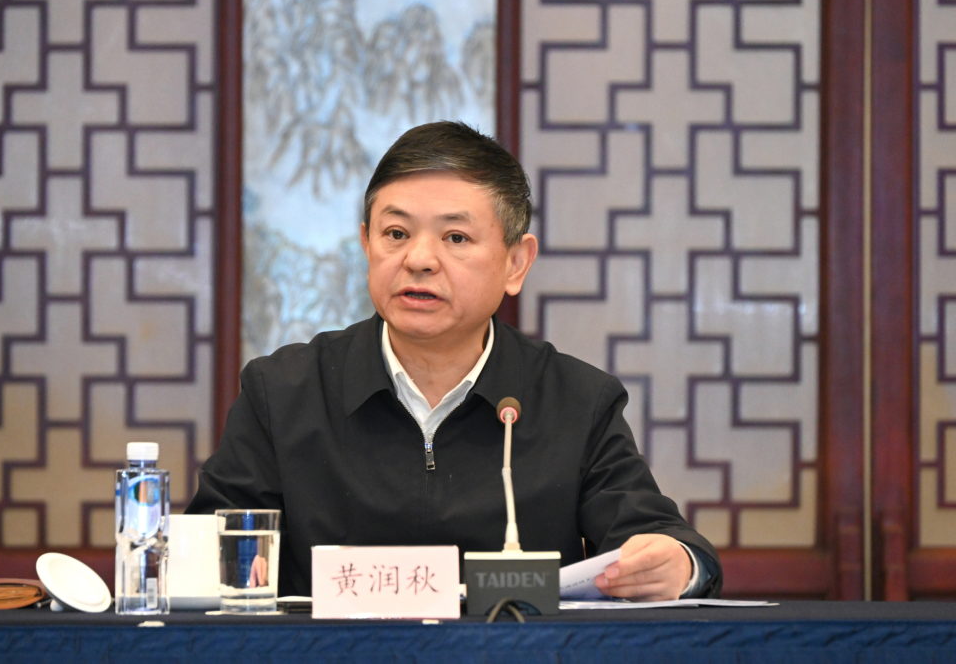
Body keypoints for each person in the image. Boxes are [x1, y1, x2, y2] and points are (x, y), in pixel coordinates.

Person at [186, 121, 722, 601]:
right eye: (396, 234)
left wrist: (677, 563)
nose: (419, 259)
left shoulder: (576, 401)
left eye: (456, 237)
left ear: (516, 263)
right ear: (367, 245)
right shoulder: (283, 393)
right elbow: (205, 554)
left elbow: (660, 541)